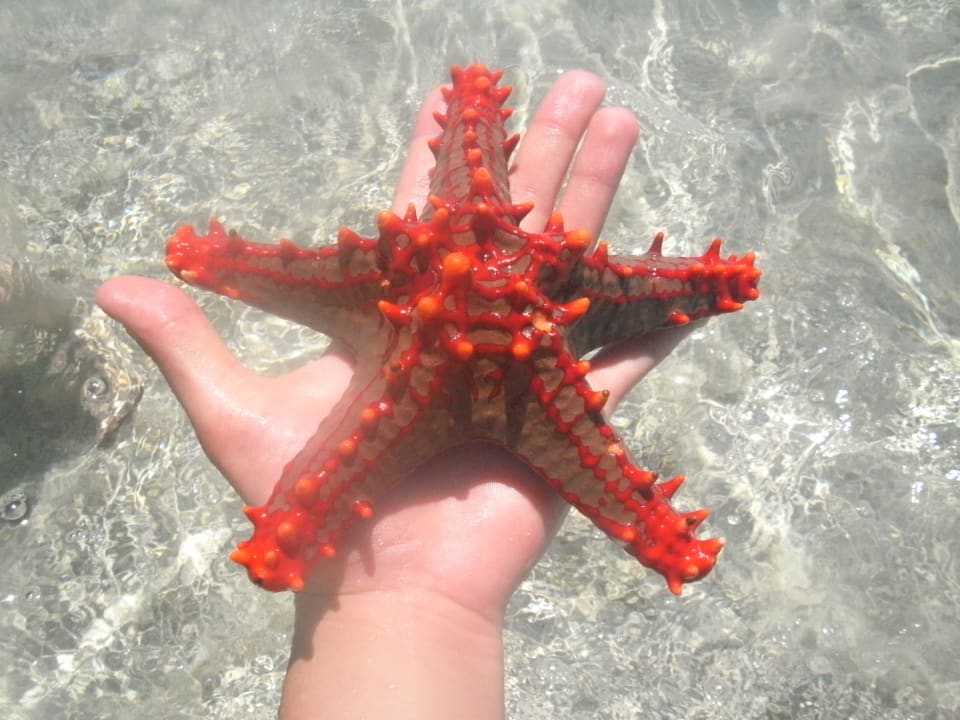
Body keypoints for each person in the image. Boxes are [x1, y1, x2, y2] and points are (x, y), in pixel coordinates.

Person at [97, 69, 696, 720]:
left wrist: (301, 541)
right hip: (512, 366)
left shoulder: (391, 280)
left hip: (445, 364)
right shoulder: (486, 293)